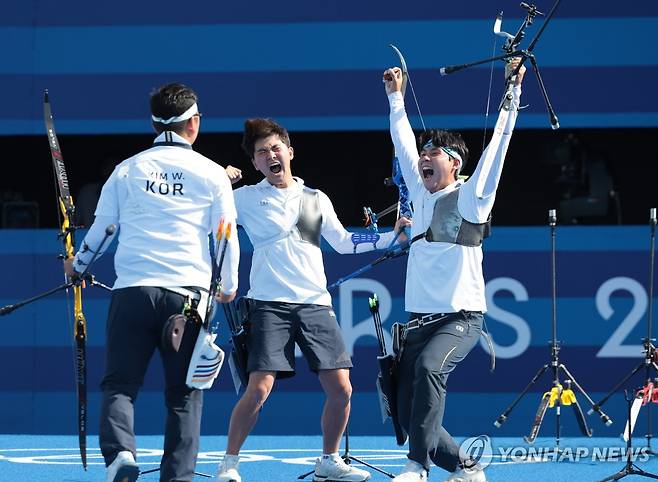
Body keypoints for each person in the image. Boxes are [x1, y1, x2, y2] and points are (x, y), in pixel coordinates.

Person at [216, 117, 410, 482]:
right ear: (255, 164)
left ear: (289, 152)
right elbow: (202, 210)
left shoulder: (316, 199)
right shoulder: (242, 198)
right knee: (258, 389)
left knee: (342, 389)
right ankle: (229, 463)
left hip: (316, 304)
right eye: (261, 152)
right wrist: (219, 181)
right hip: (268, 305)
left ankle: (329, 461)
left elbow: (344, 242)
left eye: (276, 148)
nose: (270, 155)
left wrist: (391, 238)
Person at [63, 83, 239, 482]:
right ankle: (177, 477)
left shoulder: (127, 169)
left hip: (132, 294)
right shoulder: (213, 173)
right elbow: (225, 237)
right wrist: (228, 286)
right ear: (194, 123)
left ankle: (121, 456)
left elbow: (104, 229)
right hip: (187, 299)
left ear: (153, 122)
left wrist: (78, 264)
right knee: (184, 394)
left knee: (120, 385)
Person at [381, 59, 526, 482]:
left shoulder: (471, 198)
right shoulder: (419, 193)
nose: (424, 158)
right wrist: (395, 97)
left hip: (461, 319)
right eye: (424, 154)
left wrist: (512, 94)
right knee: (407, 412)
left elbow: (498, 147)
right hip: (418, 321)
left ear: (456, 165)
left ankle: (417, 467)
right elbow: (403, 141)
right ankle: (467, 467)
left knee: (429, 370)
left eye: (435, 154)